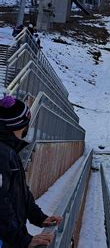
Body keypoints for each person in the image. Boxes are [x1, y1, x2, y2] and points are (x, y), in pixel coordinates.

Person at [0, 96, 63, 247]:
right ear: (20, 125)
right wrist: (22, 240)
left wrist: (39, 217)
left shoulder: (9, 151)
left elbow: (20, 192)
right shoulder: (2, 155)